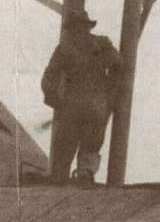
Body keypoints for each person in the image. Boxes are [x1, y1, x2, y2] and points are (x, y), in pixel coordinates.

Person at [41, 10, 122, 185]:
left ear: (70, 28)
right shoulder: (102, 43)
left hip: (73, 103)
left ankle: (59, 177)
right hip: (98, 104)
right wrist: (110, 94)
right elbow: (118, 66)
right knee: (92, 142)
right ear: (87, 26)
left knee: (65, 143)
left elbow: (50, 75)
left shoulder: (64, 47)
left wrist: (53, 98)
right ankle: (85, 173)